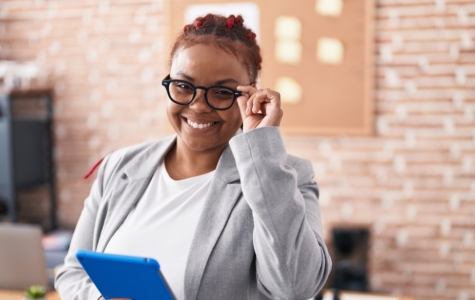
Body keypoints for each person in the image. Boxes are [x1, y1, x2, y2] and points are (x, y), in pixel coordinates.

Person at [55, 14, 331, 300]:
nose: (198, 106)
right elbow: (73, 273)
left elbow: (296, 287)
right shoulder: (120, 166)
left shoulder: (287, 175)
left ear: (251, 94)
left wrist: (261, 149)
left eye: (222, 92)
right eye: (184, 86)